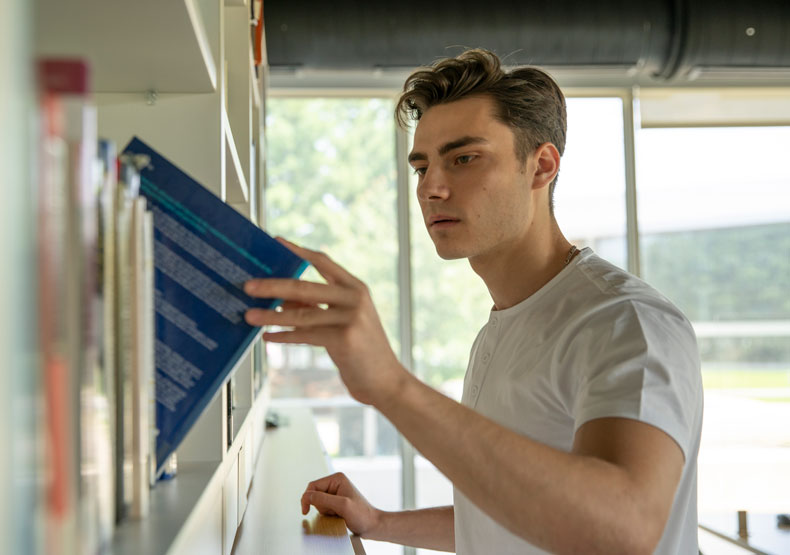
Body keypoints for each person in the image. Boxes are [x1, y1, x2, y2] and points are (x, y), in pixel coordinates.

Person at [243, 49, 703, 554]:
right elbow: (516, 514)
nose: (432, 189)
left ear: (541, 167)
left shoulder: (622, 320)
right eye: (422, 167)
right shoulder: (501, 326)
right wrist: (378, 522)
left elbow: (625, 528)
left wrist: (392, 385)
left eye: (464, 159)